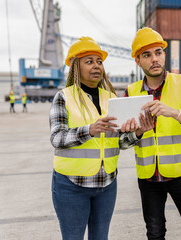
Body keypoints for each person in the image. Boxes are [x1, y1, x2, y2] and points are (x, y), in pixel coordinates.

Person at [49, 36, 146, 240]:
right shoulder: (64, 97)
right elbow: (57, 138)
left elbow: (118, 142)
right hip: (71, 184)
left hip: (107, 183)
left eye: (99, 62)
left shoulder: (110, 98)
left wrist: (137, 133)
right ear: (76, 66)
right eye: (89, 61)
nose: (96, 66)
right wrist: (89, 130)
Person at [125, 27, 181, 240]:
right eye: (147, 55)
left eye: (158, 52)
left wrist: (176, 114)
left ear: (164, 54)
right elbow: (122, 142)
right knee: (154, 233)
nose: (154, 59)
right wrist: (137, 133)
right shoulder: (130, 92)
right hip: (148, 178)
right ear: (138, 61)